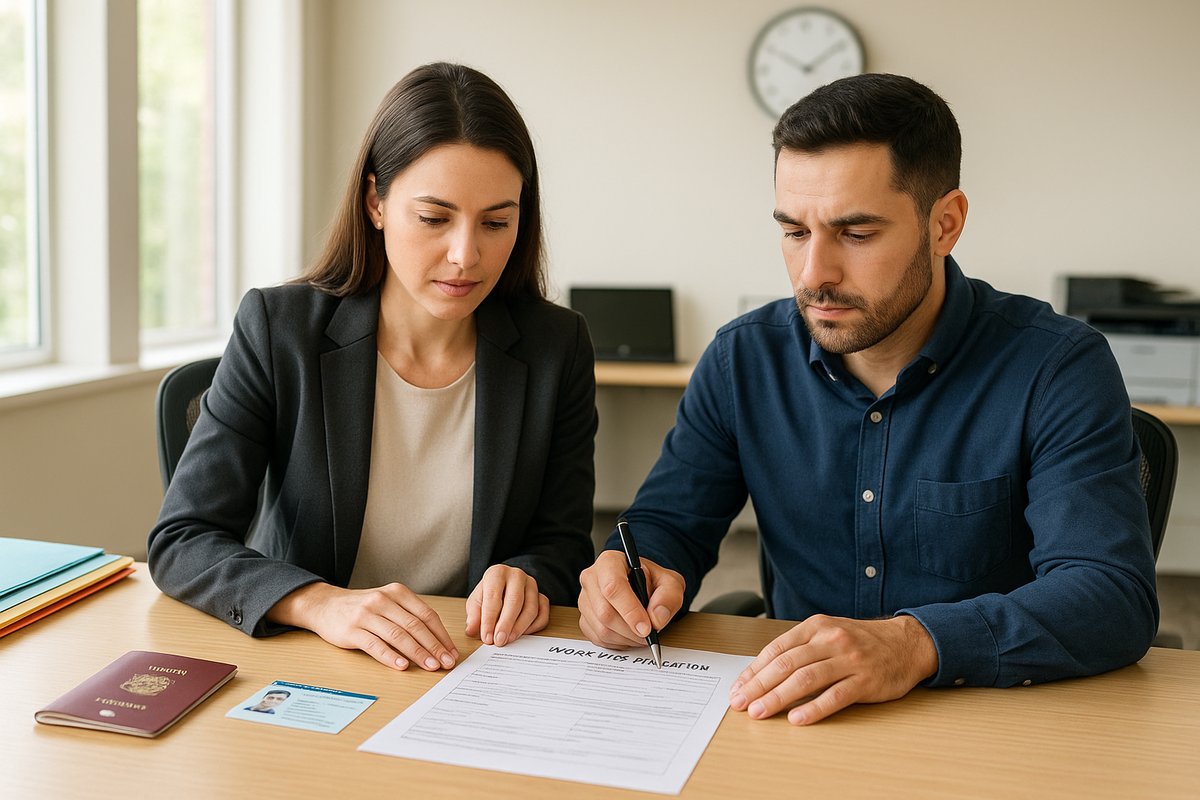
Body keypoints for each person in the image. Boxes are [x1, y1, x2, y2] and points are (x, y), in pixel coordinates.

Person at [577, 73, 1158, 725]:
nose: (812, 273)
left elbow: (1112, 596)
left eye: (855, 234)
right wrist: (634, 571)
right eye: (794, 231)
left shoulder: (1056, 366)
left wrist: (914, 644)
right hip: (795, 718)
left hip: (992, 721)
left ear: (945, 224)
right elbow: (669, 526)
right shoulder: (744, 359)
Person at [149, 62, 597, 674]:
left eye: (496, 222)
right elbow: (183, 539)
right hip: (317, 662)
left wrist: (527, 577)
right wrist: (319, 604)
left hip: (472, 667)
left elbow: (563, 540)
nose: (467, 255)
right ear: (375, 202)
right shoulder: (279, 330)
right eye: (434, 218)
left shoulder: (557, 345)